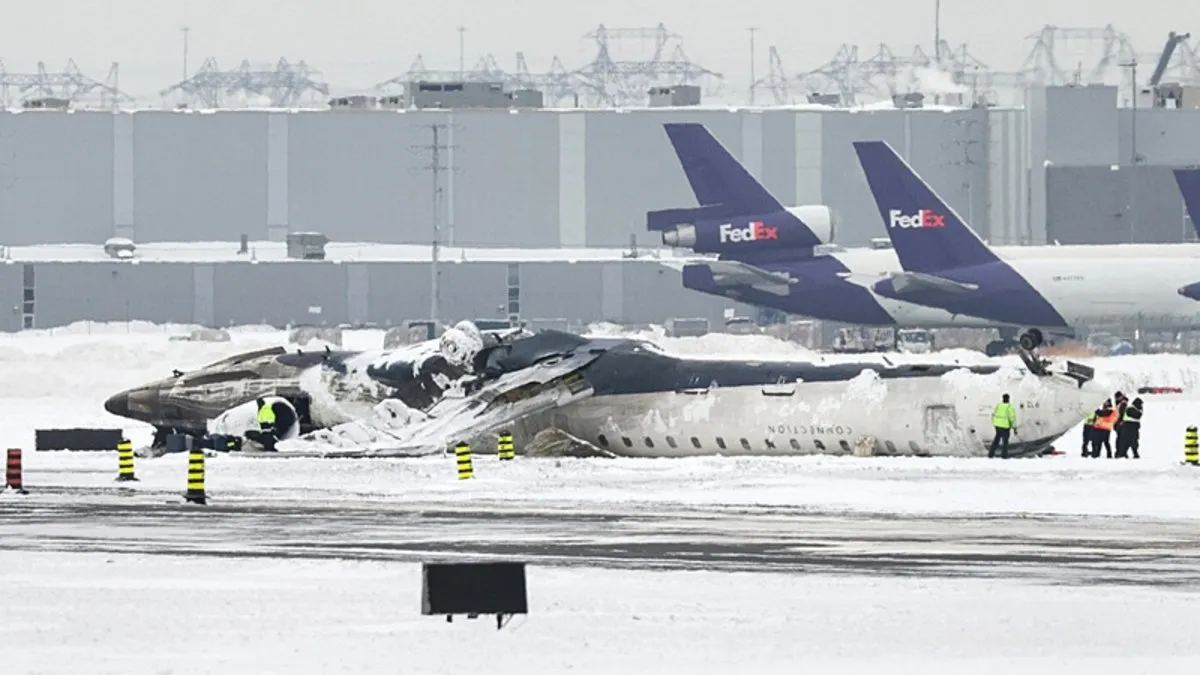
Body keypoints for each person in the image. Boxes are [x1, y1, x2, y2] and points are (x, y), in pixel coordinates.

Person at [989, 393, 1017, 458]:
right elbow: (1012, 418)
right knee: (1005, 442)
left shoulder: (998, 405)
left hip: (997, 426)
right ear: (1008, 399)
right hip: (1005, 427)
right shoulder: (1009, 407)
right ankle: (1004, 456)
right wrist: (1014, 428)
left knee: (996, 440)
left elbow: (993, 414)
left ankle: (990, 454)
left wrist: (994, 423)